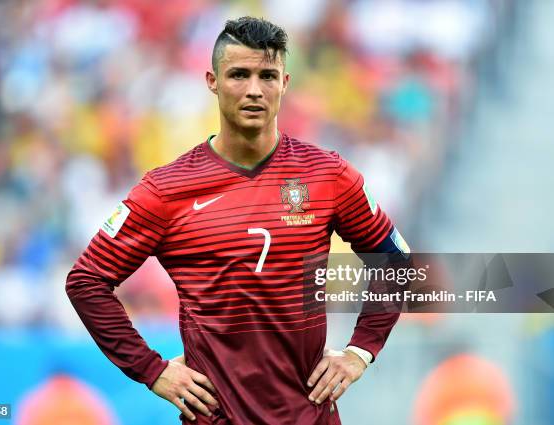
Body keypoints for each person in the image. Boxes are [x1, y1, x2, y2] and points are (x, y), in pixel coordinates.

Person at [66, 16, 409, 425]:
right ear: (212, 81)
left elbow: (396, 261)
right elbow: (86, 282)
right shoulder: (166, 190)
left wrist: (360, 351)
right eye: (239, 74)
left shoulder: (326, 175)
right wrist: (152, 370)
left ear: (285, 83)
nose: (254, 90)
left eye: (267, 75)